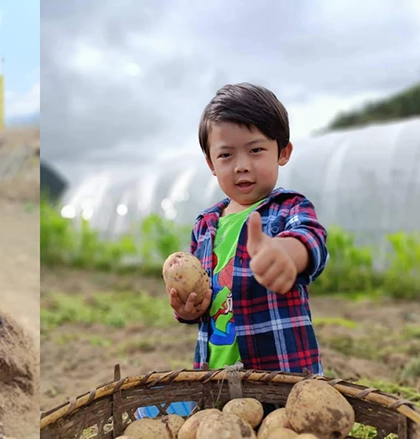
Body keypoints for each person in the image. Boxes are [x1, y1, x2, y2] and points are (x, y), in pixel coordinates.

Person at [137, 83, 328, 419]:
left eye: (256, 151)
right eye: (226, 155)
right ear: (211, 163)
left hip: (283, 383)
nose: (241, 165)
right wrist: (188, 308)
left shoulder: (288, 208)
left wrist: (286, 252)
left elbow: (311, 239)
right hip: (216, 379)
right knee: (153, 412)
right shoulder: (206, 224)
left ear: (283, 152)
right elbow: (206, 301)